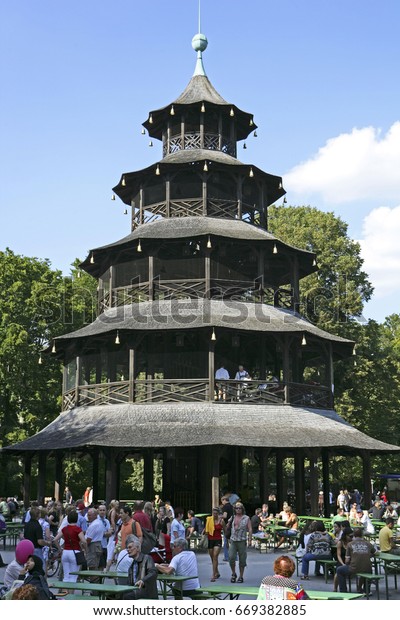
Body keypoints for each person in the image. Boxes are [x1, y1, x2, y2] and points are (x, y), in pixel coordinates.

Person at [336, 528, 375, 592]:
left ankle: (343, 591)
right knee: (367, 569)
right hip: (367, 568)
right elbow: (376, 553)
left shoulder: (350, 544)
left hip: (354, 568)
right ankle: (367, 590)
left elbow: (347, 561)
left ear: (354, 535)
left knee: (339, 570)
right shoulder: (368, 544)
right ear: (362, 535)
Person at [54, 509, 87, 582]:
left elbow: (55, 539)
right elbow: (84, 541)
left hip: (65, 552)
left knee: (66, 576)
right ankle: (71, 593)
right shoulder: (78, 529)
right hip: (75, 552)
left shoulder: (64, 529)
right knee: (73, 577)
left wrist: (60, 549)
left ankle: (65, 592)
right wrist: (85, 550)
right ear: (76, 519)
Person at [121, 535, 158, 600]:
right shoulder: (131, 566)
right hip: (135, 592)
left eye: (130, 547)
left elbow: (153, 573)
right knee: (113, 595)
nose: (128, 550)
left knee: (126, 597)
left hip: (146, 592)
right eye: (127, 548)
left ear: (138, 548)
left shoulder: (147, 558)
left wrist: (143, 581)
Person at [229, 502, 252, 583]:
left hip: (242, 540)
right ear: (234, 509)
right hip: (233, 540)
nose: (238, 510)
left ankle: (241, 576)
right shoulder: (232, 517)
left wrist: (250, 539)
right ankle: (233, 573)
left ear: (242, 509)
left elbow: (250, 529)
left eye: (240, 508)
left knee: (242, 559)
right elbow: (228, 527)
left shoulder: (246, 518)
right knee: (231, 557)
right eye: (236, 508)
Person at [204, 508, 225, 581]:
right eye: (213, 513)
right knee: (212, 557)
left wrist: (227, 541)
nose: (214, 515)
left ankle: (213, 574)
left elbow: (225, 531)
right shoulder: (209, 519)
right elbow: (206, 529)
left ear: (218, 514)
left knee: (215, 556)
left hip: (218, 539)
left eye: (216, 514)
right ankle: (217, 571)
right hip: (210, 539)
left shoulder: (221, 521)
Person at [85, 507, 104, 576]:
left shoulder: (94, 525)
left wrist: (84, 547)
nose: (88, 517)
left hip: (93, 546)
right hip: (97, 545)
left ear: (95, 515)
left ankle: (93, 583)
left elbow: (88, 539)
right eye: (88, 515)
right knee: (94, 565)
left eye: (90, 515)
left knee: (92, 566)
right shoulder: (98, 522)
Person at [333, 527, 353, 592]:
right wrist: (343, 564)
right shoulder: (340, 543)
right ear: (346, 535)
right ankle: (335, 588)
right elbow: (338, 555)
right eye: (350, 536)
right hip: (341, 560)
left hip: (350, 561)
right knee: (337, 573)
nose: (351, 538)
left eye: (352, 536)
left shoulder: (352, 543)